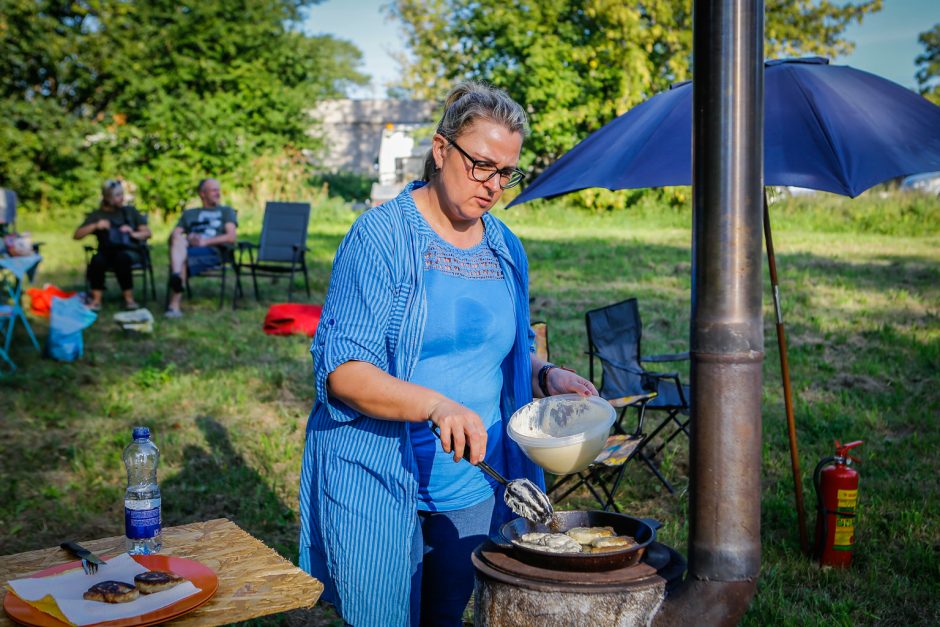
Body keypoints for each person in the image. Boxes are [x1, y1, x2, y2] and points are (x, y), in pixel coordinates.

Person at [298, 82, 599, 626]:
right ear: (442, 150)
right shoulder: (380, 238)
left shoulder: (506, 247)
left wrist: (545, 374)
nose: (493, 185)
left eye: (506, 172)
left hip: (476, 480)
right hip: (378, 478)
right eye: (481, 165)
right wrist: (436, 406)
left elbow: (510, 351)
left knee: (452, 616)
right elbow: (342, 372)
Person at [73, 179, 151, 311]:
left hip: (129, 251)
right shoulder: (97, 215)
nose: (122, 198)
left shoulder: (129, 211)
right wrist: (95, 226)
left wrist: (132, 233)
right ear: (107, 197)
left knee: (121, 258)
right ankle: (96, 300)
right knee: (97, 260)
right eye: (118, 195)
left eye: (122, 194)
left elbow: (147, 233)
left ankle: (129, 299)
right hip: (106, 252)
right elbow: (77, 235)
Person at [165, 178, 237, 317]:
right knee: (178, 240)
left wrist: (206, 241)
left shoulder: (226, 211)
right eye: (214, 190)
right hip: (190, 248)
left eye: (218, 190)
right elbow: (172, 237)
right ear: (202, 193)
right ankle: (176, 277)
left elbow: (231, 237)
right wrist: (189, 238)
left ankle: (174, 304)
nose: (218, 193)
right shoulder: (189, 214)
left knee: (182, 259)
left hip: (214, 252)